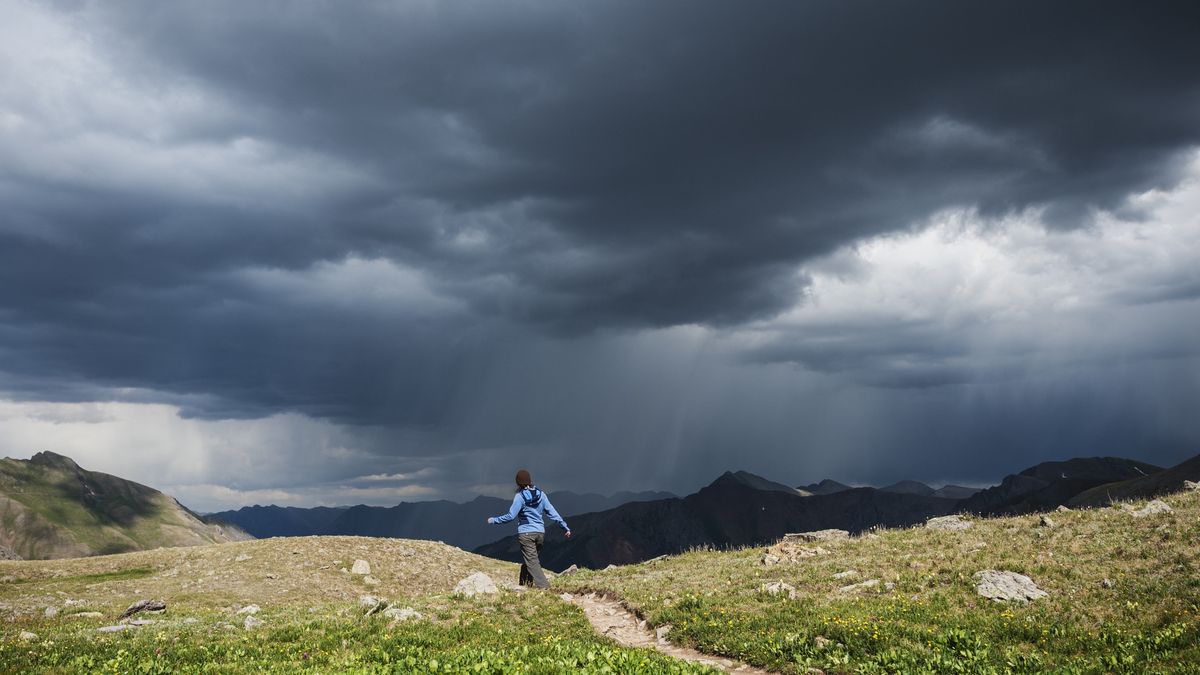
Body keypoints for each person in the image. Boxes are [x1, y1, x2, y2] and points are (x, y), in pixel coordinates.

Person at [486, 469, 571, 589]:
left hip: (526, 534)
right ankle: (524, 585)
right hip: (540, 533)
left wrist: (494, 520)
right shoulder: (541, 494)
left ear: (518, 483)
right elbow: (552, 512)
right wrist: (565, 527)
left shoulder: (519, 497)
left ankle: (545, 587)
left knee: (532, 562)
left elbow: (510, 516)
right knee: (530, 560)